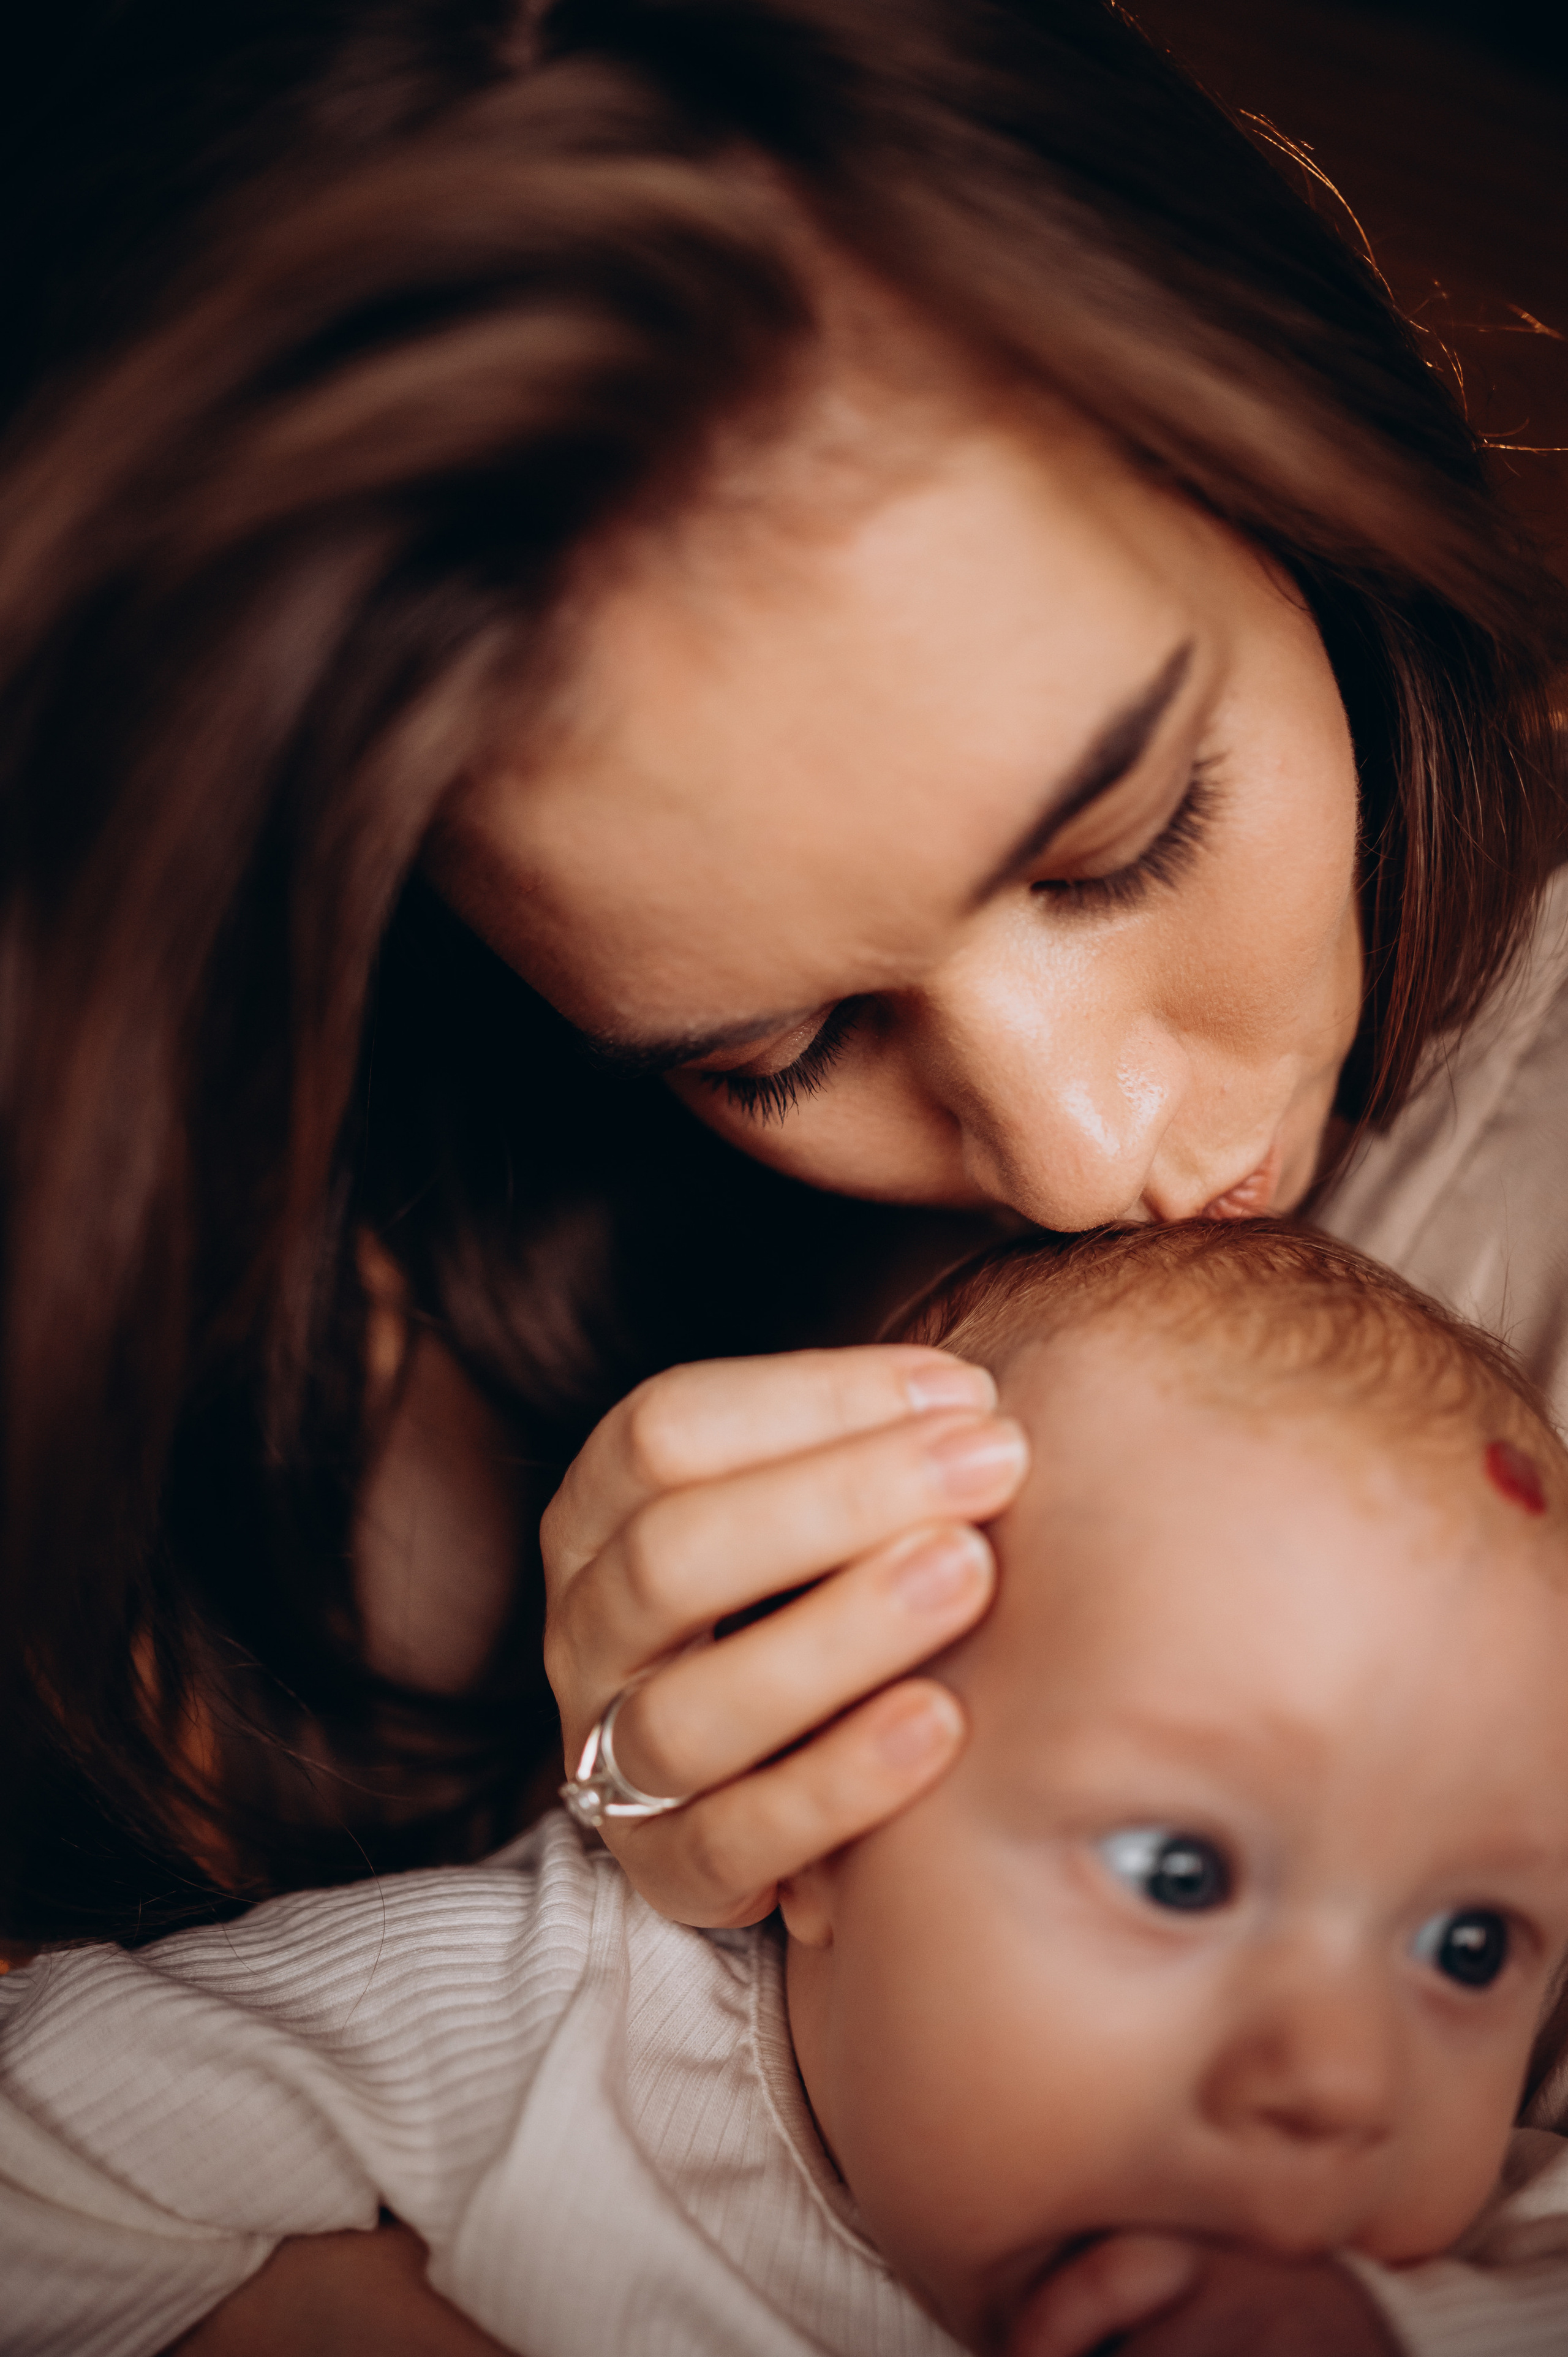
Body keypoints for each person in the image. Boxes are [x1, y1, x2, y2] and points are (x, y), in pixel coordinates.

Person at [3, 0, 1566, 2346]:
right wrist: (614, 1843)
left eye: (1131, 838)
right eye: (777, 1049)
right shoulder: (417, 1341)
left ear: (1291, 462)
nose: (1091, 1146)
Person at [10, 1222, 1568, 2357]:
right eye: (1180, 1873)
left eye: (1469, 1946)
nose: (1335, 2080)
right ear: (808, 1791)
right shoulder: (533, 2014)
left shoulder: (1496, 2255)